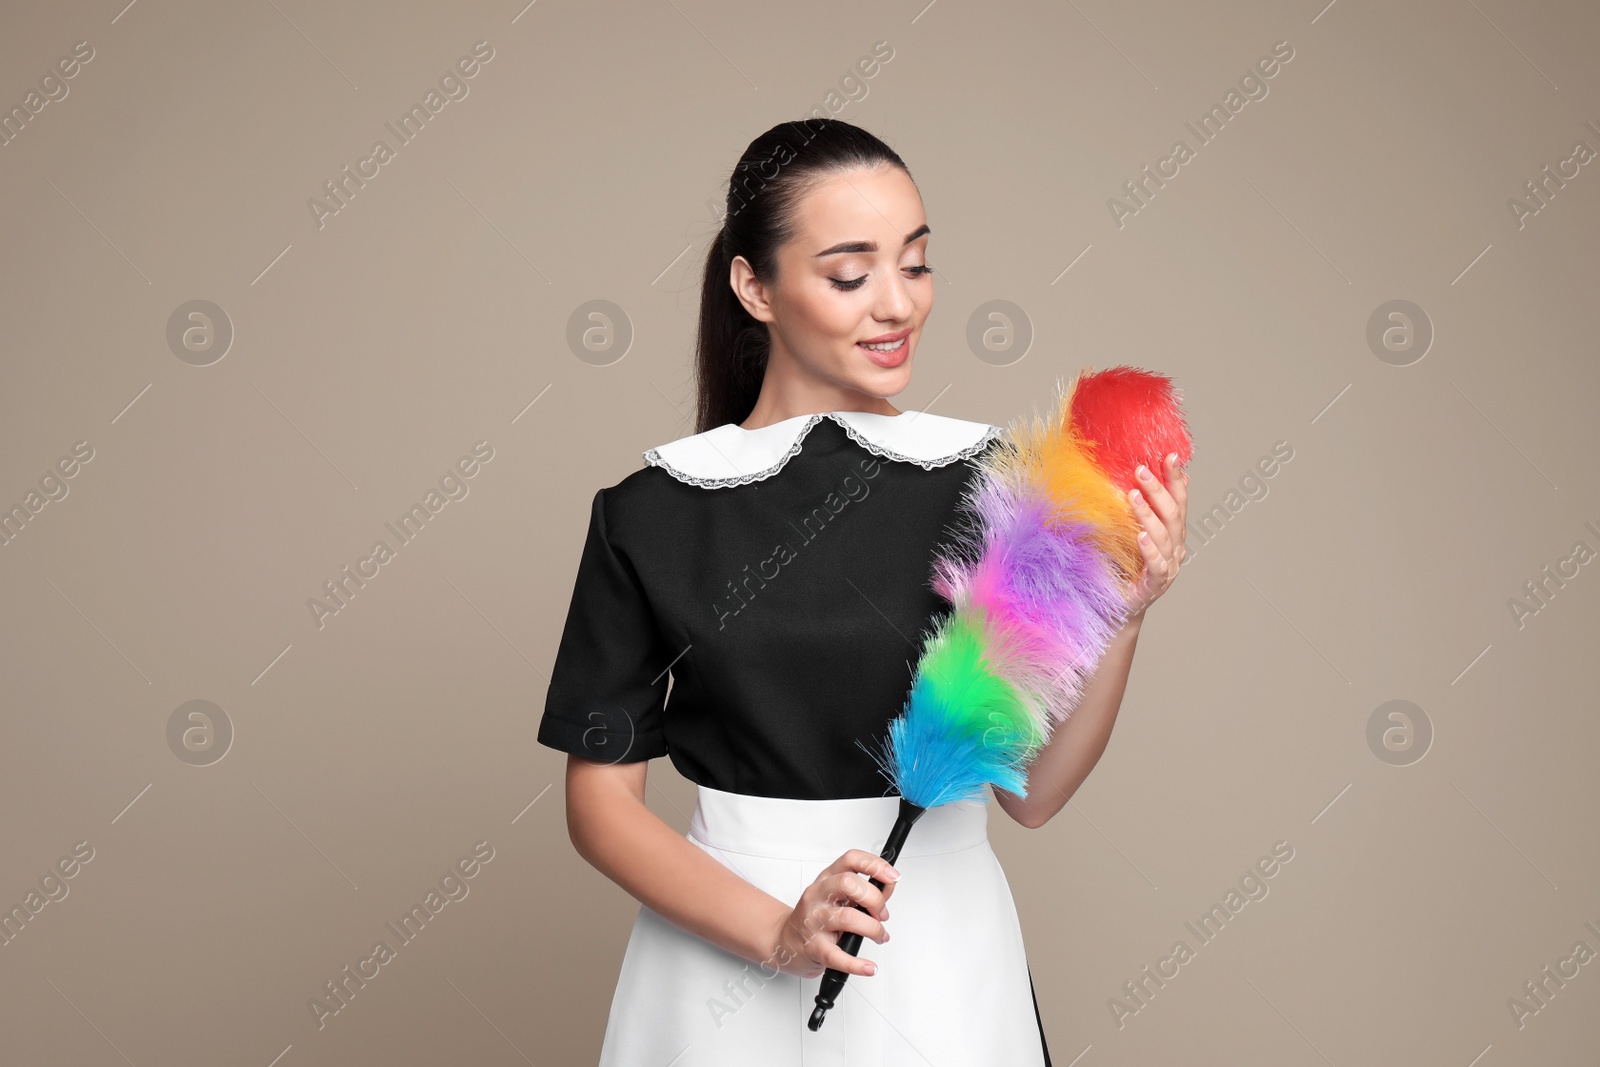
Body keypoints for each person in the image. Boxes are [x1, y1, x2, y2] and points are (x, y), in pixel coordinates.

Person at [536, 118, 1188, 1065]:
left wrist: (1123, 616)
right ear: (753, 287)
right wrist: (775, 930)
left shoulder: (994, 483)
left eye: (916, 265)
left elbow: (1034, 794)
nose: (897, 305)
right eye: (851, 275)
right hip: (721, 958)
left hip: (938, 961)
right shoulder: (652, 511)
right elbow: (600, 804)